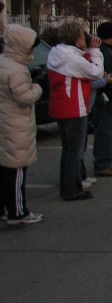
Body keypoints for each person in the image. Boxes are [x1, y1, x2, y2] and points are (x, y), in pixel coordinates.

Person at [47, 22, 105, 201]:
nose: (85, 38)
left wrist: (86, 51)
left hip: (60, 106)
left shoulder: (56, 53)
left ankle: (69, 186)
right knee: (75, 151)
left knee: (68, 150)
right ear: (74, 37)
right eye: (82, 35)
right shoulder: (72, 58)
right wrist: (95, 51)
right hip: (74, 108)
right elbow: (96, 72)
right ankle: (72, 190)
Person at [0, 24, 44, 223]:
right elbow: (24, 97)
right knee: (17, 169)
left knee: (5, 169)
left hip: (6, 120)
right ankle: (18, 211)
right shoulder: (17, 70)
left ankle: (4, 209)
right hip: (15, 123)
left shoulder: (4, 63)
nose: (33, 51)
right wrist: (36, 87)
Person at [91, 21, 112, 178]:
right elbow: (110, 78)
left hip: (107, 97)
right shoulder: (105, 53)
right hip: (106, 99)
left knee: (108, 131)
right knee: (105, 131)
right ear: (111, 35)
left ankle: (107, 159)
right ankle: (102, 163)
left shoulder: (106, 51)